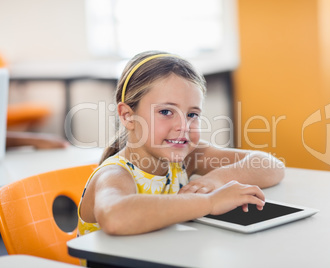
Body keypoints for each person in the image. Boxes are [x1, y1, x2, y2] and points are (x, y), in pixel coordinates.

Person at [77, 51, 285, 236]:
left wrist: (215, 181)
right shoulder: (115, 174)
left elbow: (270, 165)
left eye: (192, 114)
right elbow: (115, 218)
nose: (183, 125)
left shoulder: (187, 157)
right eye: (166, 112)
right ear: (128, 116)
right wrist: (209, 202)